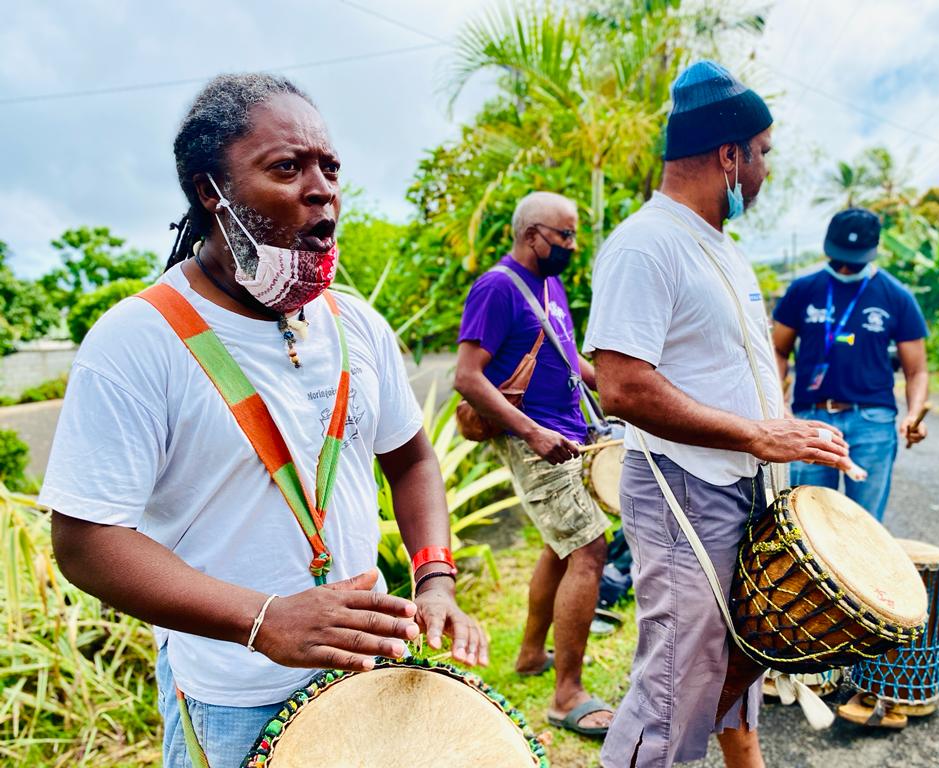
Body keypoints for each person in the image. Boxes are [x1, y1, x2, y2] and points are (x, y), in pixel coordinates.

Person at [39, 73, 486, 768]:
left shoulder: (355, 324)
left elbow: (413, 458)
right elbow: (85, 540)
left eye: (329, 167)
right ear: (210, 191)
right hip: (230, 697)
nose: (322, 188)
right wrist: (262, 621)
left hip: (360, 676)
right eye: (287, 167)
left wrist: (435, 578)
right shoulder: (138, 339)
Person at [582, 61, 852, 768]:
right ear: (729, 155)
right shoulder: (646, 244)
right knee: (677, 686)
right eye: (761, 154)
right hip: (682, 489)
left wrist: (785, 440)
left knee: (741, 656)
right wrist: (762, 434)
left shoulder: (722, 251)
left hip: (738, 487)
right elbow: (623, 387)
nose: (764, 171)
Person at [454, 191, 614, 737]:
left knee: (561, 545)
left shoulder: (551, 284)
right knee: (590, 548)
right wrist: (533, 433)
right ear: (531, 235)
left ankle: (529, 654)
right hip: (534, 440)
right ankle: (566, 693)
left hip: (571, 434)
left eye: (573, 236)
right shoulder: (496, 287)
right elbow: (467, 377)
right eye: (563, 236)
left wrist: (619, 391)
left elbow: (568, 357)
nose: (571, 246)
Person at [772, 207, 929, 521]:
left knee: (866, 527)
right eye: (838, 257)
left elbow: (917, 369)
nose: (844, 267)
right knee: (808, 524)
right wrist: (779, 404)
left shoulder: (896, 295)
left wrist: (914, 413)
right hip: (811, 422)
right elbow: (777, 350)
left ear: (872, 251)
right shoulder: (803, 290)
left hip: (872, 423)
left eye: (853, 259)